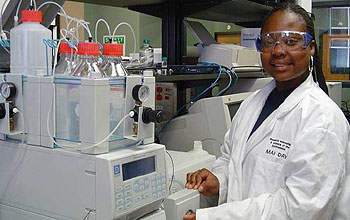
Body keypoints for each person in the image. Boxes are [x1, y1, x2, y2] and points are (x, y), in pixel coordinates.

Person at [184, 2, 349, 220]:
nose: (278, 51)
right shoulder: (252, 104)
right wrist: (220, 180)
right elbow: (232, 159)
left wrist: (214, 217)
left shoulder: (322, 119)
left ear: (310, 48)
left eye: (291, 41)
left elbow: (301, 210)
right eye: (269, 42)